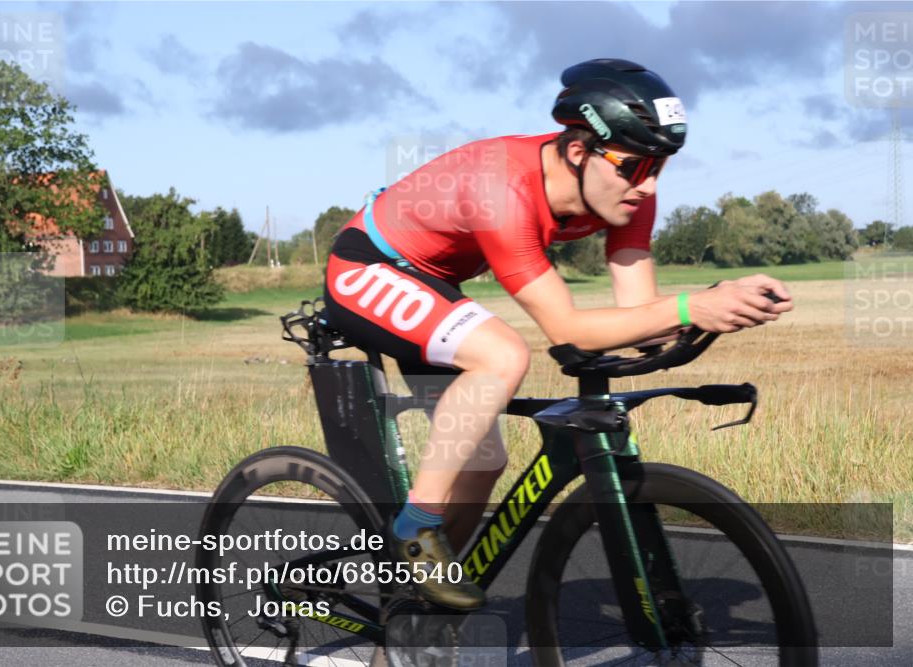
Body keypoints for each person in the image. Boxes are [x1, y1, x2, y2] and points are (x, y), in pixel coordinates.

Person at [322, 58, 793, 610]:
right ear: (578, 150)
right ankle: (414, 532)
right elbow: (567, 328)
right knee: (501, 354)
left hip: (436, 280)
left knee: (479, 465)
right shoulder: (503, 187)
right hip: (368, 268)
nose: (648, 186)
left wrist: (719, 301)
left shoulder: (627, 192)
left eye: (661, 167)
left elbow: (640, 312)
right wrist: (691, 306)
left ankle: (410, 612)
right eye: (636, 167)